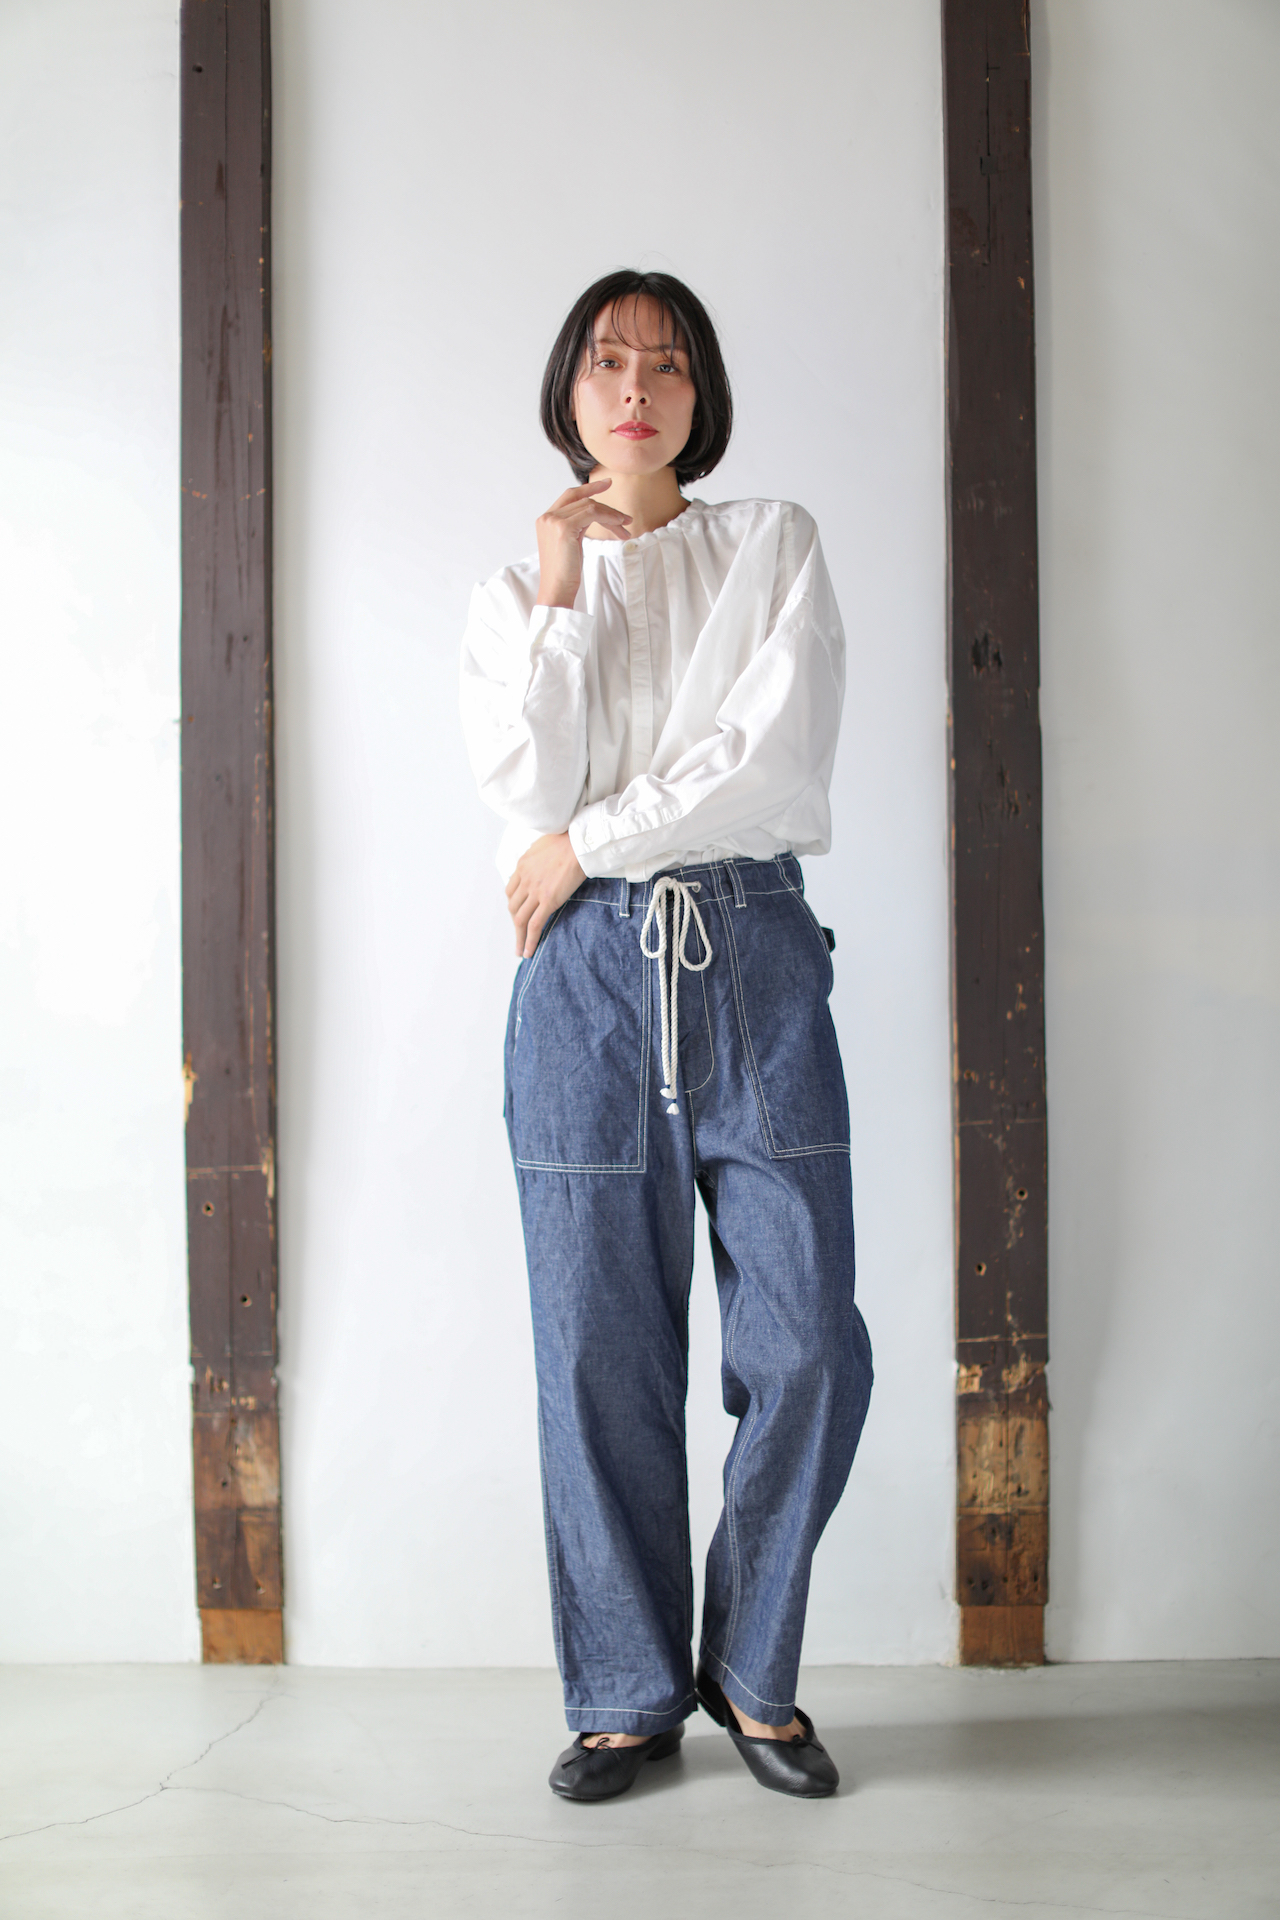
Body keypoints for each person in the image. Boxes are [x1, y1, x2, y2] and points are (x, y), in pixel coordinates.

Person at [459, 270, 873, 1801]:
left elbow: (772, 760)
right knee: (597, 1351)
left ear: (704, 397)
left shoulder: (772, 545)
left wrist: (589, 843)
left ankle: (752, 1668)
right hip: (582, 984)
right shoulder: (513, 599)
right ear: (568, 392)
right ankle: (627, 1695)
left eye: (669, 364)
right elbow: (528, 786)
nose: (636, 387)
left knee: (807, 1339)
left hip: (750, 952)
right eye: (607, 361)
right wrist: (565, 588)